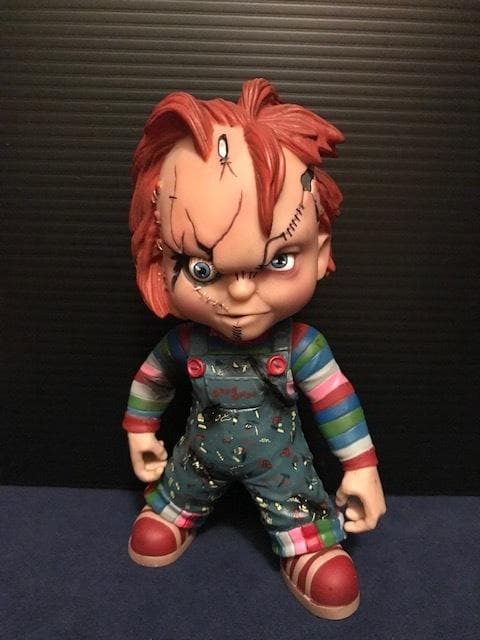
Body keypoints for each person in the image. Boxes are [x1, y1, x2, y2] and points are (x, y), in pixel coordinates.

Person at [123, 78, 386, 619]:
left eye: (278, 261)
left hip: (282, 466)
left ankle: (306, 544)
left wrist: (361, 466)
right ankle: (176, 509)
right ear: (159, 258)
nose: (240, 294)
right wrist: (140, 430)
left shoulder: (301, 347)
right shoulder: (184, 343)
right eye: (201, 269)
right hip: (196, 458)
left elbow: (335, 400)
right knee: (175, 494)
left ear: (320, 252)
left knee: (301, 508)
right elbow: (153, 379)